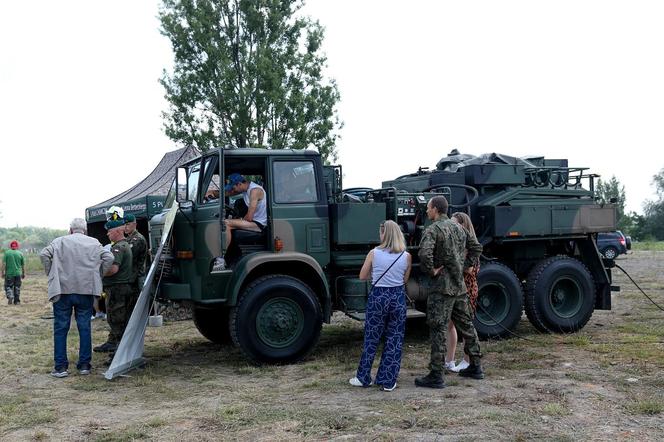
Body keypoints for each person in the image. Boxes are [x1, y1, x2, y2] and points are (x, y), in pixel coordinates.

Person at [415, 196, 484, 389]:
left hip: (441, 288)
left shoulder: (433, 229)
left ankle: (436, 374)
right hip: (459, 286)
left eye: (428, 208)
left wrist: (431, 270)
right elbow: (476, 247)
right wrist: (465, 265)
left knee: (438, 328)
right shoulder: (459, 228)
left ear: (436, 209)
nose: (427, 211)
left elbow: (423, 254)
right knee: (467, 326)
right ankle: (476, 366)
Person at [39, 218, 114, 377]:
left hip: (63, 290)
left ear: (70, 230)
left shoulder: (59, 241)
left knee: (61, 329)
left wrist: (51, 273)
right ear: (84, 230)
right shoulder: (94, 242)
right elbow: (109, 258)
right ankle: (84, 366)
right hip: (85, 289)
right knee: (84, 327)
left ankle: (60, 368)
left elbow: (44, 254)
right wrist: (98, 274)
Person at [349, 220, 412, 392]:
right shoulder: (406, 256)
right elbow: (404, 280)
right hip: (397, 298)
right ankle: (388, 380)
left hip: (378, 297)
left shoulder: (374, 253)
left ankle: (363, 377)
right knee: (394, 339)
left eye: (380, 232)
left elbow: (362, 276)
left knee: (371, 338)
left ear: (384, 234)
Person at [446, 212, 481, 372]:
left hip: (467, 289)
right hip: (455, 288)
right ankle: (449, 360)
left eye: (455, 224)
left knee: (466, 326)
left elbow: (469, 268)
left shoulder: (470, 246)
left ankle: (467, 360)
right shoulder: (456, 243)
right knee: (450, 324)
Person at [94, 217, 133, 354]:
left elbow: (113, 269)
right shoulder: (124, 245)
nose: (107, 234)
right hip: (120, 287)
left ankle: (118, 351)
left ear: (117, 231)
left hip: (117, 288)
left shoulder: (118, 248)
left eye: (109, 231)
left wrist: (98, 273)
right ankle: (112, 343)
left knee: (116, 319)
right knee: (117, 318)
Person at [222, 173, 268, 249]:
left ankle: (223, 254)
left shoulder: (255, 191)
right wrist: (212, 193)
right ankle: (233, 253)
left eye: (233, 188)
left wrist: (239, 220)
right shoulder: (245, 189)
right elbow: (228, 193)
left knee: (226, 223)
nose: (233, 190)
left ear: (239, 184)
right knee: (228, 221)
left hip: (259, 224)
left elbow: (249, 217)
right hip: (254, 221)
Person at [124, 213, 147, 299]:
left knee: (138, 304)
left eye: (127, 224)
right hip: (131, 277)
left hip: (137, 277)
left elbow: (129, 257)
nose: (125, 227)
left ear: (135, 225)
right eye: (124, 225)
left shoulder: (138, 239)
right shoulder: (128, 239)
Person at [3, 240, 25, 305]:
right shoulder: (20, 253)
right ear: (17, 246)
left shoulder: (6, 253)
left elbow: (4, 264)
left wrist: (2, 273)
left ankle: (10, 296)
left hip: (9, 274)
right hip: (18, 274)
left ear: (11, 246)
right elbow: (23, 265)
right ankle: (17, 301)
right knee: (17, 287)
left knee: (8, 286)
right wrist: (23, 273)